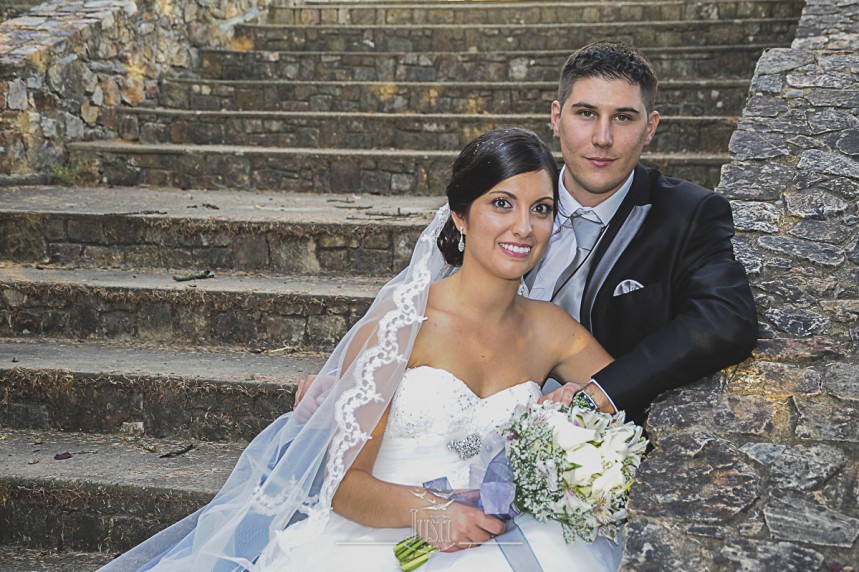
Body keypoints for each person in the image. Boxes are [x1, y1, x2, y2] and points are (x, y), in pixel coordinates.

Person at [100, 128, 624, 571]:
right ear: (461, 217)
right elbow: (344, 484)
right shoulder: (402, 324)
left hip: (503, 534)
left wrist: (580, 403)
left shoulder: (552, 330)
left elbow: (632, 393)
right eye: (501, 204)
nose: (523, 227)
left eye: (541, 209)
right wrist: (432, 514)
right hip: (383, 538)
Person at [525, 41, 758, 424]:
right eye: (586, 113)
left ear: (650, 128)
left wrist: (603, 392)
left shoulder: (688, 214)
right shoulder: (507, 199)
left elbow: (725, 319)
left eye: (623, 118)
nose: (602, 137)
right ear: (556, 117)